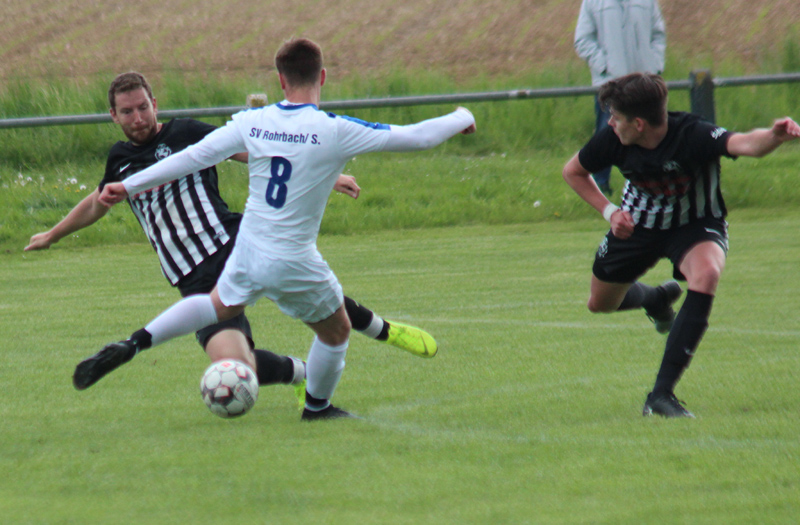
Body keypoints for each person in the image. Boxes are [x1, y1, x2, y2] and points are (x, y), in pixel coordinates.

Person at [74, 39, 476, 421]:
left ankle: (137, 341)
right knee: (336, 330)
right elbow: (419, 137)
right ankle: (317, 408)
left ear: (281, 80)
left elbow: (193, 157)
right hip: (292, 258)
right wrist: (462, 116)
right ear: (322, 77)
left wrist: (129, 185)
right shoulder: (335, 129)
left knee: (215, 306)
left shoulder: (254, 121)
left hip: (248, 248)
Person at [562, 73, 800, 418]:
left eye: (616, 117)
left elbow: (745, 144)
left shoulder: (693, 134)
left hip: (695, 224)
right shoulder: (613, 139)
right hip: (638, 226)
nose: (611, 123)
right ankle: (655, 299)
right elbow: (573, 171)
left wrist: (775, 136)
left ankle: (661, 395)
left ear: (639, 124)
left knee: (706, 275)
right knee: (600, 304)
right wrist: (610, 212)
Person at [574, 0, 666, 196]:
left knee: (649, 130)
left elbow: (658, 34)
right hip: (611, 85)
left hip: (644, 85)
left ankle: (651, 180)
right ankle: (601, 185)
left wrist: (654, 65)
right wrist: (605, 66)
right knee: (607, 132)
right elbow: (583, 39)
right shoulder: (593, 2)